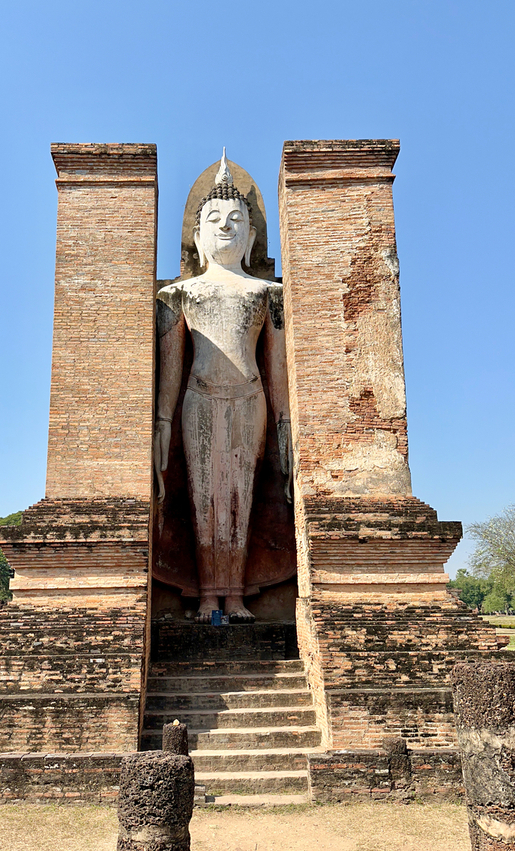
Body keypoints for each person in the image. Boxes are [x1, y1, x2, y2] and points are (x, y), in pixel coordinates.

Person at [154, 152, 292, 623]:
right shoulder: (179, 295)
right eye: (214, 218)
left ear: (252, 236)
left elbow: (277, 369)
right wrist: (162, 421)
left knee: (241, 496)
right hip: (197, 401)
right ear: (198, 235)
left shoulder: (268, 295)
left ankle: (235, 594)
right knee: (202, 498)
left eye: (237, 219)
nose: (226, 227)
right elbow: (172, 368)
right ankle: (209, 594)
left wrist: (286, 422)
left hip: (250, 400)